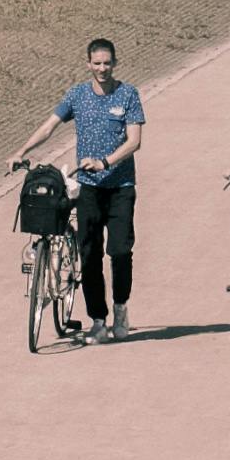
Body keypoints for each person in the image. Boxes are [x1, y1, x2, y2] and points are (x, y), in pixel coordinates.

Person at [35, 34, 143, 330]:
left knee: (119, 251)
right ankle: (98, 318)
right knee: (89, 253)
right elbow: (49, 126)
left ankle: (120, 307)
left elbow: (134, 142)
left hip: (121, 187)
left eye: (108, 63)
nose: (103, 68)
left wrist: (104, 162)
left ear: (115, 63)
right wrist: (22, 150)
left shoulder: (128, 94)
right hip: (89, 189)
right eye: (97, 63)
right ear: (88, 65)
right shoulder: (77, 95)